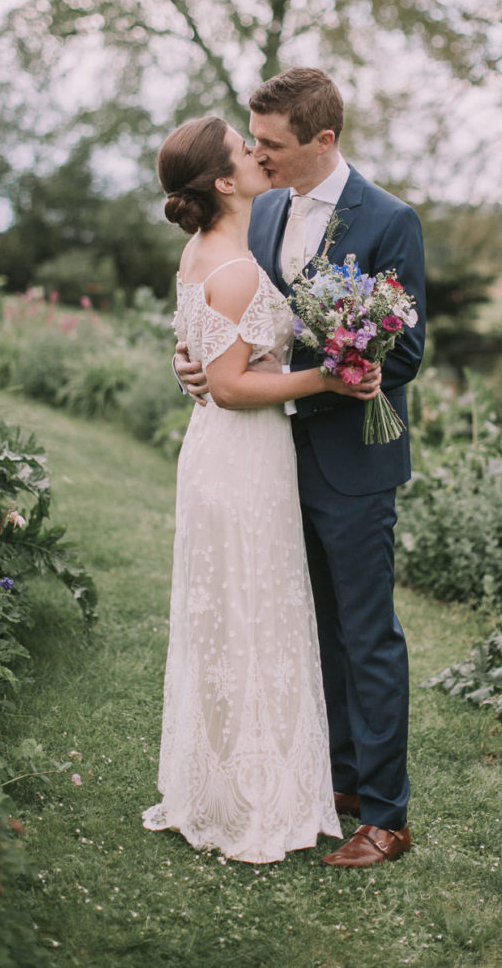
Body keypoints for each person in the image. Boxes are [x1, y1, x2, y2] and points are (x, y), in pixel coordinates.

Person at [175, 69, 426, 868]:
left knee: (367, 634)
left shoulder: (390, 220)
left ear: (324, 139)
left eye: (274, 143)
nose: (261, 153)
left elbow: (408, 348)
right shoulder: (264, 207)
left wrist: (346, 356)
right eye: (256, 141)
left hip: (350, 458)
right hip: (270, 458)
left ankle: (386, 814)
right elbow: (232, 319)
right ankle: (339, 778)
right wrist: (202, 365)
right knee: (309, 625)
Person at [142, 114, 381, 864]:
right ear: (222, 181)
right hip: (243, 452)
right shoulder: (237, 266)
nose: (257, 155)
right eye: (246, 150)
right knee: (251, 612)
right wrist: (332, 377)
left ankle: (220, 784)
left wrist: (198, 371)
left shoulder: (201, 249)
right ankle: (249, 797)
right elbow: (233, 382)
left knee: (236, 612)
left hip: (222, 451)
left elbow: (201, 354)